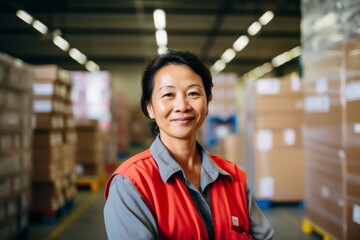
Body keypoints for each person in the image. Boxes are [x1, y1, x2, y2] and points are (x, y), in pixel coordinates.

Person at [104, 50, 274, 240]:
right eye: (168, 94)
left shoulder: (232, 178)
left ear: (207, 103)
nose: (182, 105)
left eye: (193, 93)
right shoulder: (131, 184)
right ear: (150, 108)